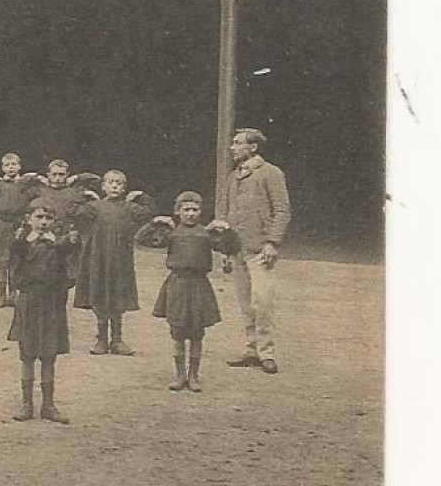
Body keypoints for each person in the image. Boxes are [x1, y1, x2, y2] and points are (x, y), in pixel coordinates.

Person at [140, 191, 240, 392]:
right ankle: (179, 375)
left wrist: (226, 230)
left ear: (201, 211)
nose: (191, 214)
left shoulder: (207, 234)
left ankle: (194, 375)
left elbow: (232, 246)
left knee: (196, 333)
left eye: (195, 210)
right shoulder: (172, 233)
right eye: (186, 209)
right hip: (177, 285)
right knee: (177, 332)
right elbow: (142, 240)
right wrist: (154, 223)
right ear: (178, 211)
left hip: (199, 286)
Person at [220, 128, 292, 375]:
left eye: (237, 143)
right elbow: (230, 214)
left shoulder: (271, 174)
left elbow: (282, 211)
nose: (232, 147)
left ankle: (267, 353)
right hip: (238, 250)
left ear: (252, 148)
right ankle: (251, 350)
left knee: (262, 303)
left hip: (260, 250)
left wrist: (272, 242)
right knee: (245, 303)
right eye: (233, 143)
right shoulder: (234, 177)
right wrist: (227, 250)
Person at [7, 196, 81, 423]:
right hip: (29, 303)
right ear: (28, 219)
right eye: (39, 217)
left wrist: (72, 244)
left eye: (49, 218)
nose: (44, 222)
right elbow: (14, 268)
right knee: (27, 354)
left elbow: (70, 272)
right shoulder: (21, 243)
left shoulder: (59, 245)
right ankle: (27, 403)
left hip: (51, 305)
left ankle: (48, 405)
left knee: (49, 355)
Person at [72, 170, 155, 356]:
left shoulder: (129, 208)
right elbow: (74, 212)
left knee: (117, 297)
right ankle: (101, 340)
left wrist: (141, 197)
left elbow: (148, 214)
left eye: (119, 183)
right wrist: (83, 196)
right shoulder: (95, 206)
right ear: (103, 187)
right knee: (99, 296)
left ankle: (117, 340)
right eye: (111, 182)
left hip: (120, 262)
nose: (115, 186)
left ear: (125, 188)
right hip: (98, 260)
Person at [0, 152, 37, 308]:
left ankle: (13, 295)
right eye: (7, 165)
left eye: (14, 165)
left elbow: (37, 198)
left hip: (19, 225)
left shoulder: (25, 185)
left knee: (17, 261)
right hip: (2, 225)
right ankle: (2, 296)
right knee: (2, 262)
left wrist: (36, 178)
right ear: (2, 168)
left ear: (19, 166)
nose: (11, 168)